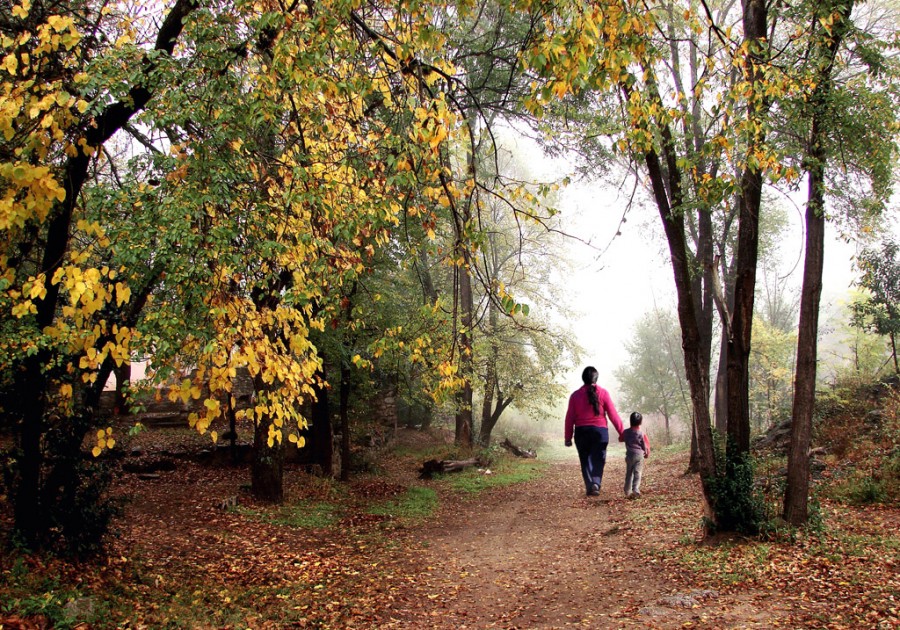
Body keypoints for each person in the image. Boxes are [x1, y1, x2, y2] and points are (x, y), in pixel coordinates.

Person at [564, 366, 625, 496]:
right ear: (596, 378)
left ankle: (590, 485)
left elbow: (569, 418)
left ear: (583, 378)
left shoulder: (575, 396)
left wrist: (568, 437)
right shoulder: (603, 393)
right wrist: (622, 432)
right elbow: (613, 415)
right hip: (600, 432)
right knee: (599, 459)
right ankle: (596, 483)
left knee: (584, 460)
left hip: (582, 432)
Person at [620, 411, 650, 499]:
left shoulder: (625, 432)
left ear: (630, 421)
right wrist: (646, 453)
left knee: (629, 473)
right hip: (639, 456)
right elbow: (644, 444)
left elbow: (620, 439)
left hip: (629, 456)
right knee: (637, 473)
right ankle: (635, 490)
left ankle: (627, 490)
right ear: (640, 422)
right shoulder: (641, 433)